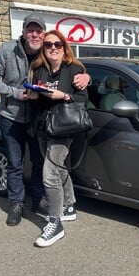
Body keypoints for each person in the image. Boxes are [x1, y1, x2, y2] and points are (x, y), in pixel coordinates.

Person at [0, 13, 90, 227]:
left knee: (40, 162)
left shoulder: (46, 52)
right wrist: (15, 93)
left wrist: (87, 76)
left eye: (38, 31)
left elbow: (69, 67)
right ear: (23, 32)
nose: (35, 34)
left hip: (37, 118)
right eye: (30, 30)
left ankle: (39, 199)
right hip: (11, 117)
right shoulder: (7, 50)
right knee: (15, 164)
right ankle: (16, 204)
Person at [29, 30, 88, 247]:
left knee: (50, 173)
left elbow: (82, 99)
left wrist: (63, 96)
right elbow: (38, 100)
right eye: (48, 45)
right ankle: (69, 205)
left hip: (64, 128)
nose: (53, 48)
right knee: (59, 168)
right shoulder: (40, 71)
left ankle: (55, 224)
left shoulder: (75, 69)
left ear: (64, 47)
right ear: (43, 49)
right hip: (44, 127)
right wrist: (34, 96)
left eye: (57, 44)